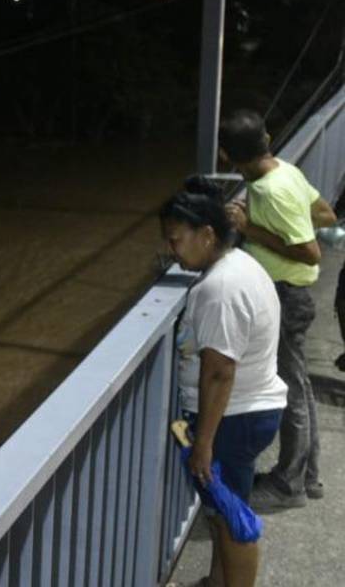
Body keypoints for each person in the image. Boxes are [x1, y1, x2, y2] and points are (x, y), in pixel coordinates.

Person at [162, 175, 287, 587]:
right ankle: (218, 582)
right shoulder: (240, 264)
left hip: (233, 420)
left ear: (207, 234)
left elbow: (219, 371)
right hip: (244, 414)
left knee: (233, 518)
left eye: (177, 239)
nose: (172, 250)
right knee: (219, 509)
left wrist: (202, 443)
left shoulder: (220, 289)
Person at [218, 109, 337, 510]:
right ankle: (309, 476)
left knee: (291, 390)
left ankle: (290, 485)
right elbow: (325, 214)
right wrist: (277, 219)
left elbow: (310, 251)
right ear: (267, 140)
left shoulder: (270, 190)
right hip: (290, 296)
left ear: (228, 157)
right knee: (298, 385)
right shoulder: (285, 170)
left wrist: (252, 229)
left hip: (286, 297)